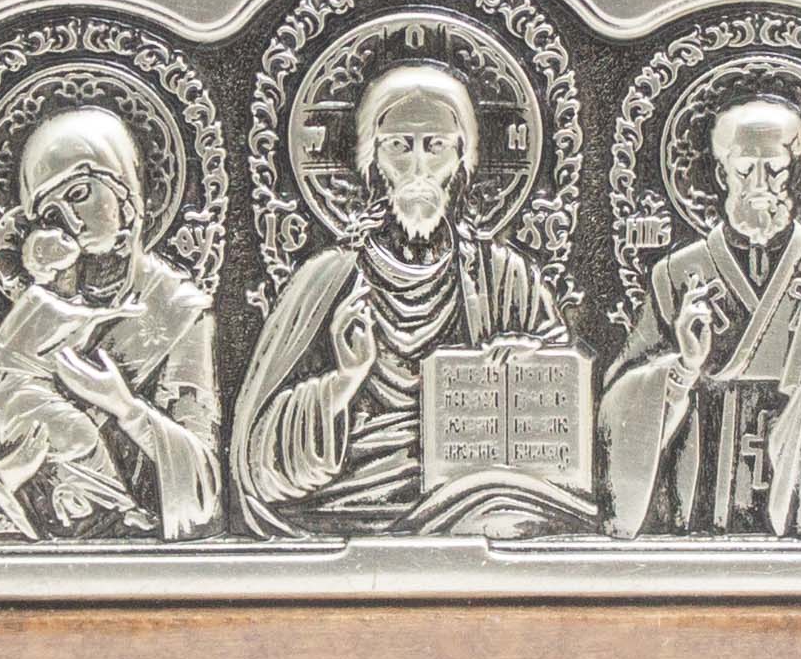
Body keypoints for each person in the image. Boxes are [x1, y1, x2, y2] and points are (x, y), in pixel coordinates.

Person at [231, 63, 572, 535]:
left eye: (435, 147)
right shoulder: (327, 280)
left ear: (463, 160)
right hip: (344, 507)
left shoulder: (506, 278)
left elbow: (569, 426)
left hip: (479, 503)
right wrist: (344, 381)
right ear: (372, 162)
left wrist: (534, 368)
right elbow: (258, 464)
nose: (417, 169)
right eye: (399, 146)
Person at [598, 99, 801, 539]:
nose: (760, 184)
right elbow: (616, 406)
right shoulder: (676, 275)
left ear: (795, 172)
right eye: (744, 170)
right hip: (704, 513)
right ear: (722, 174)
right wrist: (683, 367)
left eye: (774, 169)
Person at [0, 108, 221, 540]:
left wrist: (124, 407)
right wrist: (8, 472)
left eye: (79, 195)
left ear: (126, 194)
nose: (72, 223)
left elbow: (205, 495)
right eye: (52, 215)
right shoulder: (37, 304)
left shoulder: (178, 311)